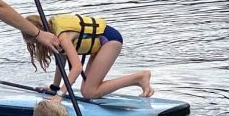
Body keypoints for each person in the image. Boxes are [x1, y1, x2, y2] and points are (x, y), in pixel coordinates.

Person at [21, 13, 154, 98]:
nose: (37, 46)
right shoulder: (54, 33)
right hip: (100, 44)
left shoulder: (63, 37)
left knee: (89, 92)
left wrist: (60, 95)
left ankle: (139, 77)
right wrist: (54, 88)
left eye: (35, 42)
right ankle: (137, 79)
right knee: (87, 91)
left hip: (110, 41)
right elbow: (61, 61)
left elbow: (77, 67)